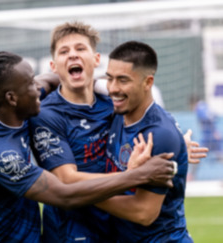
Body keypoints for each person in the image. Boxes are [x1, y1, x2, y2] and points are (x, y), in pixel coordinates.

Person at [0, 51, 176, 243]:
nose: (38, 88)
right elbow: (64, 195)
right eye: (30, 85)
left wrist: (118, 92)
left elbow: (53, 79)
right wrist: (139, 175)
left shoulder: (8, 110)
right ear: (12, 98)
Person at [30, 22, 207, 242]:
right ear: (53, 66)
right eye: (64, 52)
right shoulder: (47, 115)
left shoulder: (113, 101)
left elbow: (149, 119)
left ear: (95, 60)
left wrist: (175, 144)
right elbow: (65, 180)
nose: (73, 55)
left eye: (80, 49)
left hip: (114, 226)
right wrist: (130, 177)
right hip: (71, 229)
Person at [103, 41, 193, 242]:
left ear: (147, 82)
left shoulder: (159, 135)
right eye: (109, 78)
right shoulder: (118, 112)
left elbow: (144, 213)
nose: (113, 88)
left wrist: (76, 194)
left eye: (123, 80)